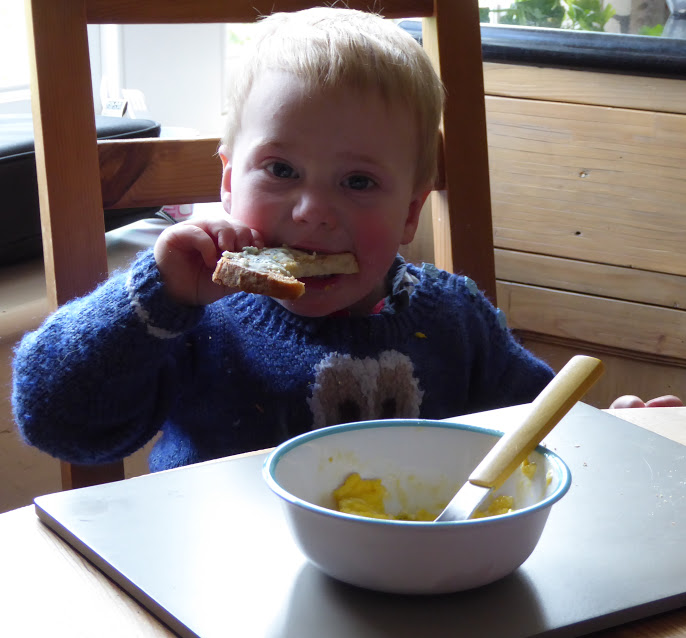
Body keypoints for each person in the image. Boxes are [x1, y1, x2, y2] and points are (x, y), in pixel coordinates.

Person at [12, 7, 556, 472]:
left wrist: (595, 432)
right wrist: (156, 297)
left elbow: (544, 433)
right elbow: (53, 419)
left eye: (358, 182)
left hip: (416, 559)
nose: (312, 211)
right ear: (229, 184)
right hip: (219, 559)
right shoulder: (194, 319)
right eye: (281, 169)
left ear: (410, 213)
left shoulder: (458, 320)